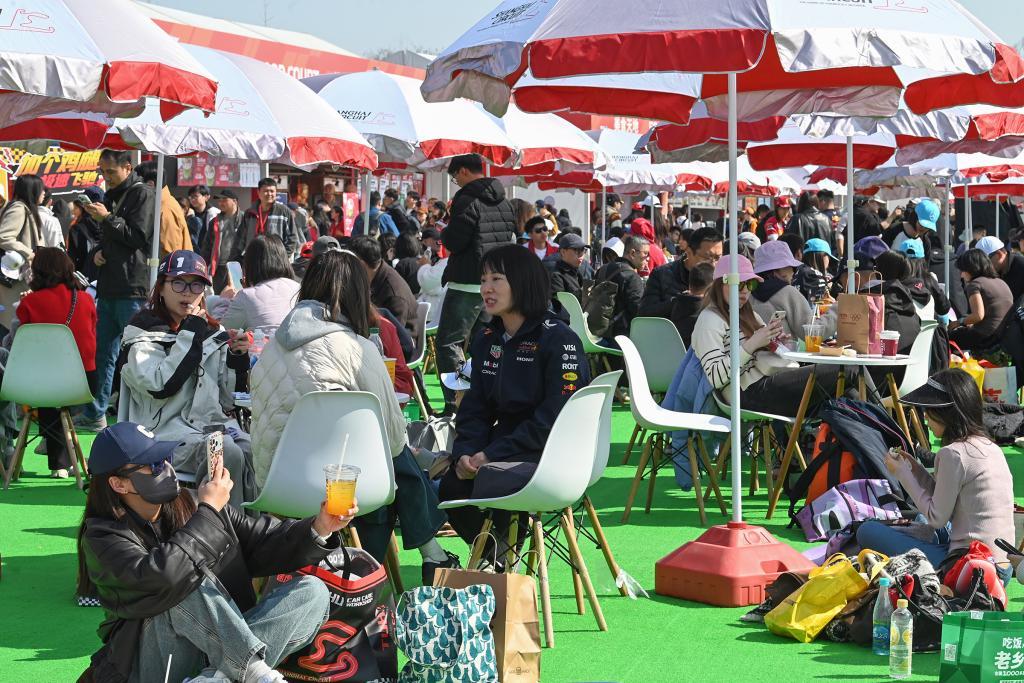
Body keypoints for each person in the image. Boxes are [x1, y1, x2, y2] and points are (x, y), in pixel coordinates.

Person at [77, 421, 356, 683]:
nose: (166, 469)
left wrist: (320, 527)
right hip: (154, 659)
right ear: (119, 484)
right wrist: (209, 511)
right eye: (154, 465)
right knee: (183, 577)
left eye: (166, 458)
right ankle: (250, 671)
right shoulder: (101, 537)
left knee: (312, 592)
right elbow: (161, 577)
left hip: (219, 646)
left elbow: (263, 541)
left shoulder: (193, 504)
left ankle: (220, 677)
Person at [250, 251, 453, 577]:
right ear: (359, 295)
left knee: (393, 466)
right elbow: (394, 439)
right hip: (341, 489)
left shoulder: (270, 349)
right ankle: (389, 566)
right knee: (398, 463)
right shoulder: (358, 349)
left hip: (276, 486)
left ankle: (426, 555)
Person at [438, 245, 589, 556]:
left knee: (493, 478)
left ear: (523, 282)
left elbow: (556, 418)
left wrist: (490, 454)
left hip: (553, 453)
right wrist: (466, 453)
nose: (486, 288)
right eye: (483, 280)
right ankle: (499, 559)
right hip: (503, 448)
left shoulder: (559, 339)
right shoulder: (487, 339)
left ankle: (505, 560)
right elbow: (475, 408)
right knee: (451, 484)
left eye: (497, 279)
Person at [119, 251, 254, 505]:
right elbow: (160, 385)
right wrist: (190, 334)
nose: (188, 292)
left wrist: (237, 358)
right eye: (178, 283)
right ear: (161, 287)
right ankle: (218, 525)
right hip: (161, 438)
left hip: (208, 428)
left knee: (256, 450)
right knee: (226, 452)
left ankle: (248, 526)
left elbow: (229, 400)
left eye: (196, 285)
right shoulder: (142, 332)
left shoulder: (212, 331)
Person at [857, 369, 1015, 578]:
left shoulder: (953, 453)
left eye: (929, 411)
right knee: (921, 521)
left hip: (969, 569)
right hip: (1001, 567)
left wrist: (902, 473)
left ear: (946, 414)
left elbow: (936, 518)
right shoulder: (990, 447)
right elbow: (942, 501)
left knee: (867, 531)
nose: (925, 417)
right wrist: (914, 469)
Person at [692, 256, 843, 416]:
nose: (745, 290)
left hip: (766, 381)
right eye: (740, 284)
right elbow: (716, 378)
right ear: (720, 284)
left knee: (845, 391)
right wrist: (752, 344)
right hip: (745, 392)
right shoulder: (709, 319)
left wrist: (776, 343)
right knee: (846, 371)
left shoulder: (747, 313)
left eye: (751, 284)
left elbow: (760, 349)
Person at [77, 151, 155, 432]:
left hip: (132, 287)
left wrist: (107, 217)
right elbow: (110, 239)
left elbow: (138, 236)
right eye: (103, 172)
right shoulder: (111, 196)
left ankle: (144, 418)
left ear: (127, 167)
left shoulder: (143, 194)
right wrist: (98, 252)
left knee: (138, 354)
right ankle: (95, 413)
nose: (106, 177)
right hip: (109, 286)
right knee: (103, 355)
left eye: (111, 172)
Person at [435, 154, 516, 414]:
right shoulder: (504, 201)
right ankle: (486, 401)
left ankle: (457, 403)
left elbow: (454, 241)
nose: (455, 182)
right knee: (487, 344)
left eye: (454, 177)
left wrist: (444, 230)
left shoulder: (466, 200)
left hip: (467, 281)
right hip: (496, 281)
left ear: (463, 171)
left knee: (449, 343)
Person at [12, 248, 97, 477]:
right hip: (83, 382)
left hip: (41, 383)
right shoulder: (86, 300)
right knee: (57, 396)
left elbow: (20, 343)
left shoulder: (29, 302)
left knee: (47, 391)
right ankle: (59, 460)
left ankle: (58, 461)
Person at [219, 235, 300, 334]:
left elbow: (222, 331)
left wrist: (224, 300)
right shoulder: (298, 288)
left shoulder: (246, 296)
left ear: (251, 264)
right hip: (298, 342)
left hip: (265, 344)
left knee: (212, 301)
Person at [640, 227, 724, 318]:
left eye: (718, 258)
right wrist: (681, 300)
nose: (713, 264)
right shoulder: (662, 275)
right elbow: (645, 312)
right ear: (689, 252)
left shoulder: (723, 279)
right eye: (707, 258)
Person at [348, 236, 420, 341]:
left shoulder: (394, 293)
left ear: (361, 264)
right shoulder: (374, 275)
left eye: (349, 263)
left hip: (396, 344)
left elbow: (392, 335)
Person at [751, 240, 823, 341]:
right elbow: (810, 333)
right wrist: (835, 312)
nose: (794, 271)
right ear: (777, 271)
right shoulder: (788, 292)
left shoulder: (747, 293)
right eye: (792, 267)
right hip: (784, 351)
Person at [0, 174, 47, 329]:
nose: (44, 193)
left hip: (18, 275)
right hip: (14, 276)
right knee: (13, 323)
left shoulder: (22, 207)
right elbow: (4, 237)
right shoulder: (19, 208)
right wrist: (29, 253)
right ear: (32, 190)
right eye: (41, 189)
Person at [949, 248, 1013, 352]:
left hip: (987, 336)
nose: (961, 275)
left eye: (963, 270)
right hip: (1004, 333)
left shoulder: (975, 284)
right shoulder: (1001, 281)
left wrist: (958, 322)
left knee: (947, 338)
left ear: (971, 268)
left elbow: (978, 316)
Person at [595, 234, 649, 344]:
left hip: (595, 332)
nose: (647, 258)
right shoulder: (632, 277)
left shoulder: (603, 269)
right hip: (621, 339)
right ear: (632, 253)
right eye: (645, 254)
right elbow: (639, 311)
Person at [136, 161, 193, 258]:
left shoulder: (165, 209)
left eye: (137, 184)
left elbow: (169, 253)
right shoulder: (161, 203)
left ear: (150, 184)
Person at [235, 178, 298, 261]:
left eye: (272, 191)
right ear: (258, 192)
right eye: (266, 191)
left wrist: (283, 258)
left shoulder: (284, 212)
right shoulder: (249, 213)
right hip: (253, 259)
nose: (269, 194)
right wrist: (236, 258)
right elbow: (240, 238)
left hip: (275, 260)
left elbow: (292, 238)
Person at [201, 190, 243, 293]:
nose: (220, 203)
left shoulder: (245, 219)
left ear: (235, 201)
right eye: (219, 200)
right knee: (220, 296)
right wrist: (203, 265)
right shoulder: (215, 221)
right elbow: (207, 246)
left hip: (239, 266)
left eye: (224, 200)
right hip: (220, 267)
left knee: (239, 294)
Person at [898, 237, 952, 318]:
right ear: (923, 259)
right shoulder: (930, 280)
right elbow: (944, 308)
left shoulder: (896, 282)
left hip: (903, 324)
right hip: (928, 325)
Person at [670, 262, 714, 347]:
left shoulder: (677, 304)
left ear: (690, 285)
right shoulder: (709, 314)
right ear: (711, 288)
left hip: (677, 353)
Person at [68, 187, 105, 282]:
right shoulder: (111, 223)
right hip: (109, 277)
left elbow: (73, 259)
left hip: (85, 279)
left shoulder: (76, 229)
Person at [976, 235, 1024, 305]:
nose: (983, 267)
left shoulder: (1021, 266)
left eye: (985, 262)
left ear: (999, 255)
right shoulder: (992, 272)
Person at [548, 232, 589, 307]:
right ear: (563, 252)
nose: (581, 254)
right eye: (577, 250)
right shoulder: (556, 274)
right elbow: (558, 305)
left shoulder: (578, 271)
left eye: (583, 250)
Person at [793, 238, 835, 304]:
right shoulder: (814, 275)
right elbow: (819, 305)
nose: (829, 261)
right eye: (829, 257)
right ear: (822, 256)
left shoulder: (796, 270)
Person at [188, 184, 219, 250]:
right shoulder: (188, 212)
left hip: (207, 250)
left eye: (195, 196)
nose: (192, 199)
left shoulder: (213, 213)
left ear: (206, 197)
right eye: (190, 197)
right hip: (191, 250)